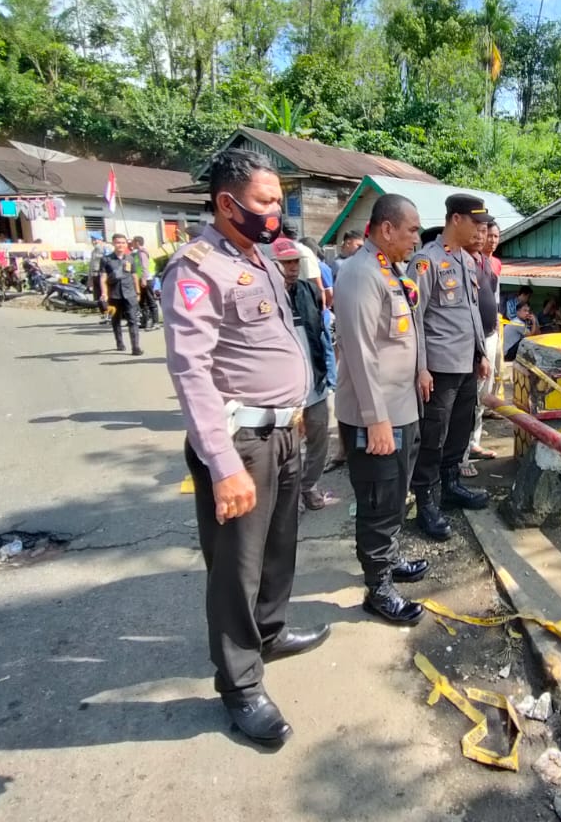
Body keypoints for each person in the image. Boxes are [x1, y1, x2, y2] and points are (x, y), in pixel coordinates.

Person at [162, 148, 327, 748]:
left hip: (282, 433)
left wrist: (295, 417)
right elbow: (192, 372)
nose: (275, 210)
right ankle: (239, 684)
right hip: (241, 443)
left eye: (279, 200)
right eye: (264, 201)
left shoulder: (257, 259)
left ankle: (271, 631)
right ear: (226, 202)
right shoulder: (196, 267)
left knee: (281, 548)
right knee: (237, 568)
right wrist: (223, 465)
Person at [334, 194, 430, 626]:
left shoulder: (390, 270)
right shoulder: (359, 274)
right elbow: (359, 352)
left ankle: (389, 560)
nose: (416, 237)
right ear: (386, 229)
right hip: (375, 416)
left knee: (394, 495)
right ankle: (377, 589)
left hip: (401, 407)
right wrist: (376, 419)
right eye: (411, 229)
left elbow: (403, 336)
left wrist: (420, 371)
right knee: (377, 501)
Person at [409, 194, 492, 539]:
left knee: (459, 430)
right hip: (439, 368)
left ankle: (451, 486)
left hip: (466, 364)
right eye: (476, 224)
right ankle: (426, 500)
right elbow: (415, 319)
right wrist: (420, 367)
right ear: (455, 220)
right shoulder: (425, 262)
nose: (482, 231)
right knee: (433, 436)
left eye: (485, 225)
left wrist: (482, 353)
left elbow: (473, 312)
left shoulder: (467, 261)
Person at [270, 237, 333, 513]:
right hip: (282, 389)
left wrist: (329, 376)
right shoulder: (266, 295)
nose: (292, 268)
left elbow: (322, 336)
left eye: (295, 261)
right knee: (287, 443)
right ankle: (290, 493)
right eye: (285, 263)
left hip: (314, 381)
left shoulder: (310, 290)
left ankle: (309, 485)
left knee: (319, 434)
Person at [463, 218, 500, 476]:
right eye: (485, 233)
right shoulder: (465, 261)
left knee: (481, 396)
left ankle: (473, 443)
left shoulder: (490, 264)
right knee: (469, 397)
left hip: (490, 334)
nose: (489, 239)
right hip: (473, 341)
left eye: (493, 234)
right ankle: (461, 455)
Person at [99, 234, 143, 357]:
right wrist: (104, 293)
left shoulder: (130, 258)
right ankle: (119, 343)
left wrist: (138, 292)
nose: (121, 245)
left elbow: (134, 276)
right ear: (113, 243)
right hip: (114, 295)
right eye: (118, 242)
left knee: (133, 320)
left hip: (129, 294)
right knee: (116, 320)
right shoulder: (106, 260)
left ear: (126, 244)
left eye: (123, 242)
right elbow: (103, 278)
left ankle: (135, 347)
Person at [132, 236, 160, 330]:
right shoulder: (137, 253)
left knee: (150, 300)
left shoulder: (142, 253)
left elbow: (145, 267)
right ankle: (145, 320)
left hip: (147, 280)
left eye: (133, 242)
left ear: (137, 242)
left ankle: (155, 322)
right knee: (142, 302)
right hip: (142, 280)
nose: (132, 243)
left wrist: (143, 279)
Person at [88, 237, 108, 321]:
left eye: (96, 239)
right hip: (94, 274)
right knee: (98, 297)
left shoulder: (105, 248)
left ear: (101, 240)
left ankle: (109, 314)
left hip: (101, 274)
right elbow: (90, 266)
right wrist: (90, 279)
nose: (94, 241)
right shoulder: (93, 251)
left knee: (104, 296)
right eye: (93, 240)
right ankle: (104, 314)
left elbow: (107, 261)